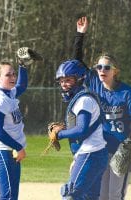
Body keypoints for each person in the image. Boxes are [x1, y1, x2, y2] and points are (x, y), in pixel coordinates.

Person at [74, 16, 131, 200]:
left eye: (107, 67)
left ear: (115, 70)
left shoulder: (127, 92)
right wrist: (80, 35)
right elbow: (77, 64)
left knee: (115, 195)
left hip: (122, 149)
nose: (102, 70)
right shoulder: (95, 84)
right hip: (102, 149)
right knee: (102, 195)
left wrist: (128, 143)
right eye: (99, 66)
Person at [53, 59, 108, 199]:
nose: (64, 84)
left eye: (68, 80)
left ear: (79, 79)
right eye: (61, 81)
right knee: (89, 197)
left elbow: (82, 129)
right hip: (96, 153)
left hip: (90, 153)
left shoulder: (84, 100)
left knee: (71, 194)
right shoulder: (82, 97)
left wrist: (59, 134)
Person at [0, 60, 29, 200]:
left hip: (11, 153)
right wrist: (19, 147)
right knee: (8, 197)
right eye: (8, 75)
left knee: (11, 196)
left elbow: (21, 86)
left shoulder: (9, 93)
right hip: (2, 152)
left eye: (13, 74)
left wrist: (23, 65)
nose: (12, 78)